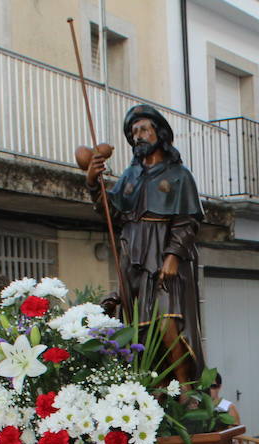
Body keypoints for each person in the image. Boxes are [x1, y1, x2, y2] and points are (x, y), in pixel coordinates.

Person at [85, 104, 206, 368]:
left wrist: (173, 256)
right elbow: (112, 213)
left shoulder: (179, 176)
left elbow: (188, 221)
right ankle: (154, 390)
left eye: (143, 129)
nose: (138, 135)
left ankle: (188, 392)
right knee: (140, 330)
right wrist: (94, 183)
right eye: (133, 131)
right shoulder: (130, 176)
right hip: (134, 260)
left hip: (164, 256)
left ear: (158, 133)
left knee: (168, 324)